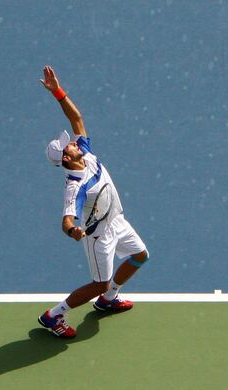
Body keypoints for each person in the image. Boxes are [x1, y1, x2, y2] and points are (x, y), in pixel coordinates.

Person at [36, 65, 149, 338]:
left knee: (140, 256)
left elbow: (77, 119)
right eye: (69, 145)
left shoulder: (84, 152)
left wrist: (57, 92)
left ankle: (108, 300)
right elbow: (66, 220)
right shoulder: (75, 187)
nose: (74, 141)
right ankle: (54, 315)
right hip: (99, 237)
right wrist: (73, 230)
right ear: (65, 158)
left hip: (117, 221)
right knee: (99, 282)